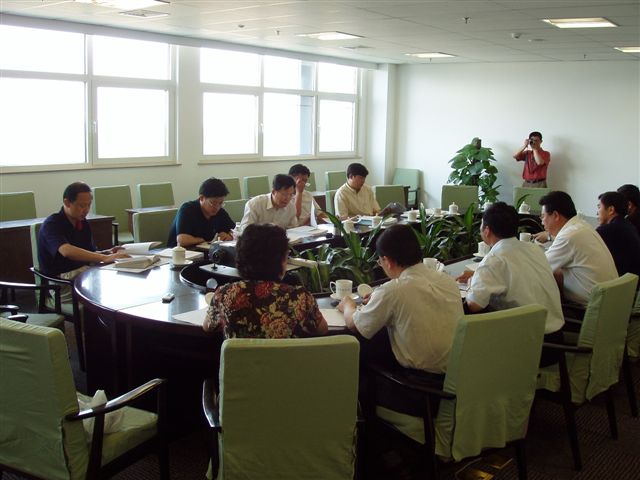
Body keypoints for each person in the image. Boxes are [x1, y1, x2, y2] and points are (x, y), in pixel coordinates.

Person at [338, 224, 462, 374]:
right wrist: (378, 297)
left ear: (387, 261)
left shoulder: (393, 291)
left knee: (365, 356)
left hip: (419, 379)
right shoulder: (447, 280)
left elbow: (354, 325)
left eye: (380, 262)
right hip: (458, 373)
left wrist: (348, 304)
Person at [455, 202, 564, 364]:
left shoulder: (493, 260)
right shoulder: (534, 249)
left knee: (467, 315)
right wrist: (479, 275)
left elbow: (474, 305)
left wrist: (473, 282)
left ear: (487, 230)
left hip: (528, 348)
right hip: (557, 340)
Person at [203, 224, 328, 338]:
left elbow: (207, 327)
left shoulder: (224, 294)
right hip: (284, 357)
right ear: (280, 260)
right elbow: (322, 330)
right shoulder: (300, 297)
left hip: (240, 357)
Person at [38, 182, 130, 300]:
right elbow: (66, 251)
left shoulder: (82, 222)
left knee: (117, 273)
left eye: (88, 205)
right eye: (81, 206)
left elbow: (90, 252)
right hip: (61, 280)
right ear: (67, 203)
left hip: (82, 271)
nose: (86, 210)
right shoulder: (52, 224)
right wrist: (104, 257)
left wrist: (107, 252)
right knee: (107, 283)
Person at [538, 191, 617, 306]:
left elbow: (539, 268)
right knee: (556, 274)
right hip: (609, 302)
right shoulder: (582, 226)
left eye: (543, 216)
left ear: (555, 215)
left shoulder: (568, 236)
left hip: (588, 309)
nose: (542, 221)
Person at [167, 177, 235, 248]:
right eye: (213, 203)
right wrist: (203, 240)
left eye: (221, 203)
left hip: (205, 251)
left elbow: (236, 230)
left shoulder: (220, 211)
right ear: (201, 198)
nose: (217, 207)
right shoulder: (187, 209)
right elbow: (182, 240)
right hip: (180, 252)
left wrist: (229, 236)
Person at [595, 191, 640, 280]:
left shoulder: (606, 230)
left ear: (611, 210)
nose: (597, 212)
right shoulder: (629, 225)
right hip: (632, 281)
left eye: (599, 207)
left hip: (618, 281)